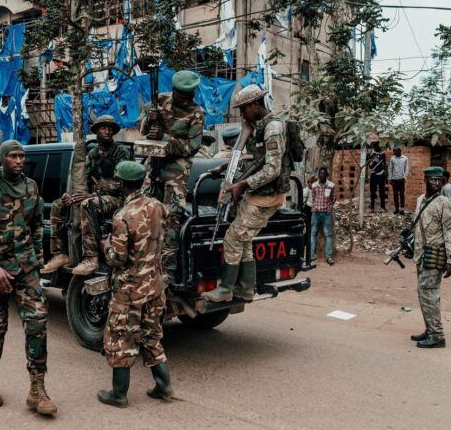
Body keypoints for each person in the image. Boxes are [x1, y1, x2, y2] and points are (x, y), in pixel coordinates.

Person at [0, 140, 56, 416]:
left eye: (21, 156)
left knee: (38, 323)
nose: (19, 161)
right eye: (13, 156)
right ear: (3, 159)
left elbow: (37, 226)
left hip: (26, 269)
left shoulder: (31, 187)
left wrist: (37, 262)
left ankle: (37, 389)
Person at [202, 85, 293, 303]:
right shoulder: (260, 126)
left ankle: (226, 289)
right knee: (244, 240)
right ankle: (245, 289)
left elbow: (272, 169)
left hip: (266, 197)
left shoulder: (273, 128)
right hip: (257, 194)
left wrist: (242, 185)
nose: (242, 114)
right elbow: (257, 158)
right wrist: (225, 165)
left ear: (255, 105)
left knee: (233, 238)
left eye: (243, 109)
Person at [97, 160, 171, 408]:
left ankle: (118, 395)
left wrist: (105, 246)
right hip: (155, 285)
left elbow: (117, 259)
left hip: (129, 291)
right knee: (152, 336)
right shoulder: (158, 206)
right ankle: (163, 386)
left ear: (121, 183)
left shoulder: (123, 216)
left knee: (121, 339)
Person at [138, 69, 205, 272]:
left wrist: (165, 138)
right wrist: (149, 120)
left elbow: (191, 147)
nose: (186, 100)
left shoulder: (196, 113)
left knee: (172, 216)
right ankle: (144, 260)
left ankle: (168, 268)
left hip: (176, 170)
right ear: (174, 90)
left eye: (189, 95)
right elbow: (141, 129)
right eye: (182, 95)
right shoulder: (159, 100)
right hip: (154, 165)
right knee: (144, 210)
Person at [58, 115, 133, 276]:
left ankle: (90, 258)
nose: (108, 131)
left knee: (88, 204)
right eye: (103, 128)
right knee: (59, 204)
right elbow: (84, 179)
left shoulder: (121, 152)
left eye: (110, 128)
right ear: (97, 131)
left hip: (119, 198)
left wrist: (94, 192)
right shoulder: (93, 153)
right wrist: (73, 196)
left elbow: (123, 183)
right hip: (97, 196)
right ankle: (60, 254)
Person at [408, 166, 451, 349]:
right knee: (424, 294)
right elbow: (418, 228)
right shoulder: (420, 200)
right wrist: (411, 247)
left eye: (439, 180)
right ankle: (430, 329)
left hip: (435, 255)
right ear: (425, 181)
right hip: (421, 255)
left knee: (429, 293)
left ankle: (437, 335)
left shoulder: (444, 203)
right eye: (433, 180)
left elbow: (450, 231)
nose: (437, 183)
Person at [309, 167, 336, 266]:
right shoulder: (314, 185)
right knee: (313, 234)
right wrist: (315, 207)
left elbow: (333, 198)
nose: (322, 175)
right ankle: (312, 255)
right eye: (320, 173)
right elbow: (313, 198)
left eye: (324, 173)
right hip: (316, 213)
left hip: (326, 213)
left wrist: (329, 207)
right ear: (318, 175)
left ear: (327, 175)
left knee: (328, 235)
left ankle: (329, 257)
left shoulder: (331, 185)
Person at [388, 147, 409, 214]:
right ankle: (397, 209)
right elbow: (390, 168)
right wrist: (390, 178)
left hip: (401, 179)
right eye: (393, 151)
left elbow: (406, 168)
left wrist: (404, 177)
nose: (394, 152)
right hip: (394, 179)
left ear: (399, 151)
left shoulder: (405, 158)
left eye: (395, 151)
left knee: (402, 194)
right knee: (395, 195)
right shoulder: (392, 158)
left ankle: (402, 209)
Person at [367, 142, 387, 212]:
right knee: (372, 191)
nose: (379, 147)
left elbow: (384, 164)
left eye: (380, 146)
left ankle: (383, 206)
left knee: (382, 191)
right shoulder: (370, 154)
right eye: (378, 146)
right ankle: (372, 206)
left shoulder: (382, 154)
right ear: (374, 147)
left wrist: (386, 174)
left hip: (381, 174)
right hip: (373, 174)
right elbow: (368, 165)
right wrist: (366, 176)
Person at [302, 173, 316, 265]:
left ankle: (309, 255)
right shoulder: (306, 190)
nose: (311, 184)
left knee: (310, 234)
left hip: (312, 212)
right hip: (307, 212)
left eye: (312, 183)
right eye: (310, 183)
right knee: (307, 234)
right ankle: (304, 255)